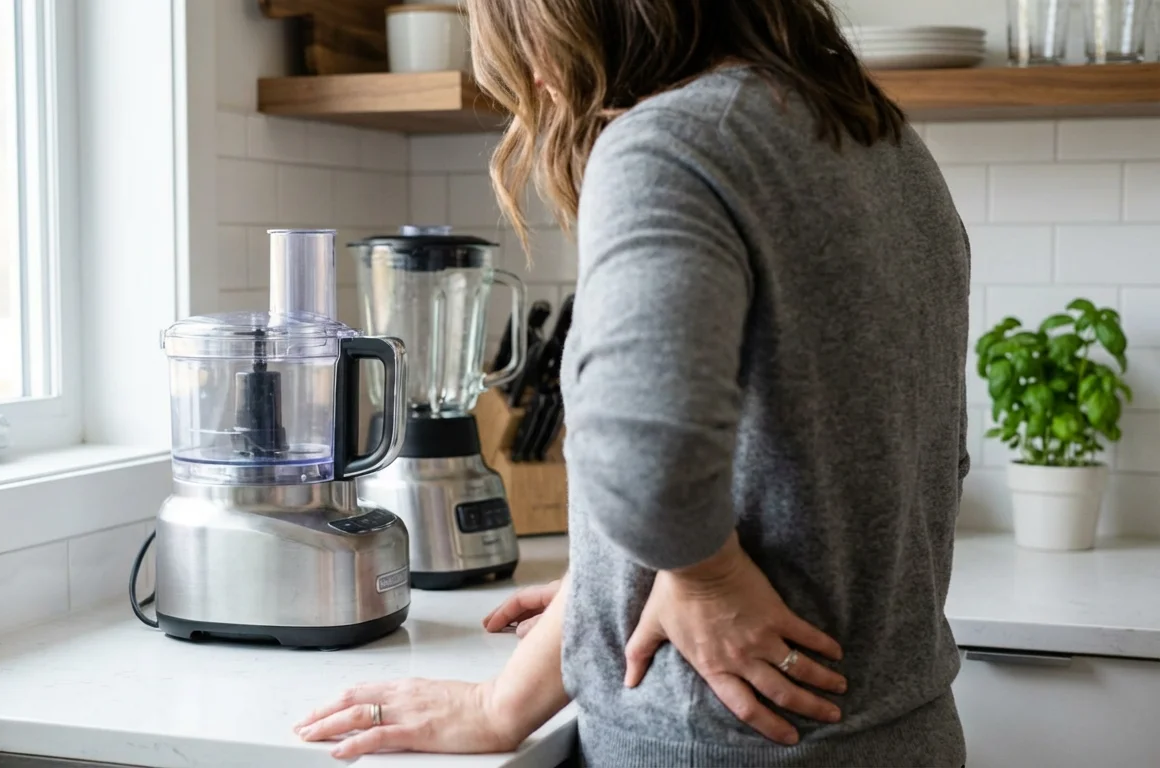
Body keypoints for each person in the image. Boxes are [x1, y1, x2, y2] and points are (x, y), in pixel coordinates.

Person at [295, 0, 970, 764]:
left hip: (728, 741)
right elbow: (873, 471)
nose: (537, 78)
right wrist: (613, 588)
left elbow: (643, 466)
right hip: (909, 731)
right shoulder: (885, 145)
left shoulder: (674, 142)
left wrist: (707, 577)